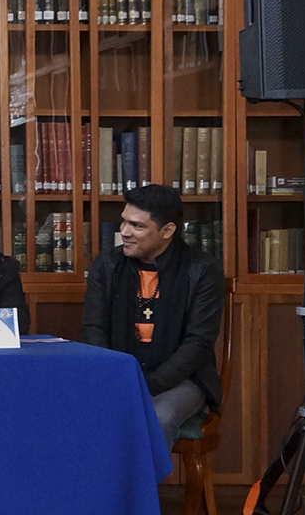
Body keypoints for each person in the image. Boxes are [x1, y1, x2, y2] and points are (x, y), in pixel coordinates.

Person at [82, 185, 224, 447]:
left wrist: (148, 385)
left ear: (167, 231)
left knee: (157, 417)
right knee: (76, 411)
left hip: (180, 380)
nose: (124, 232)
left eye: (137, 226)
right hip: (118, 375)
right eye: (123, 221)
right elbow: (93, 328)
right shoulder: (107, 264)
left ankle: (141, 489)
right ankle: (95, 488)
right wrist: (116, 376)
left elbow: (198, 343)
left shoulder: (202, 270)